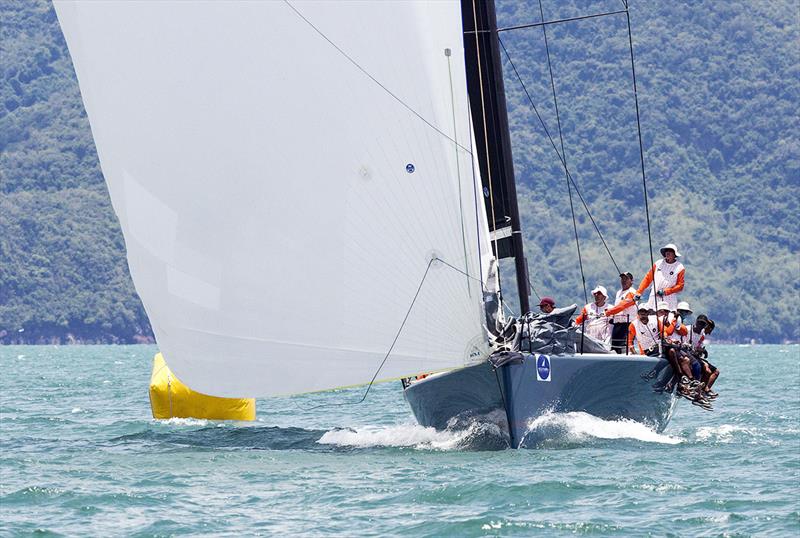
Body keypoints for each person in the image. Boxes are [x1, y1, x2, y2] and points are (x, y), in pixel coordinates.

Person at [635, 243, 685, 311]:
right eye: (666, 251)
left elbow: (680, 286)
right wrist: (639, 292)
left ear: (674, 254)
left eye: (670, 251)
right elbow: (647, 279)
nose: (667, 253)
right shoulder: (658, 263)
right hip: (654, 297)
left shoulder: (680, 267)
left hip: (669, 299)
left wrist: (666, 291)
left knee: (667, 319)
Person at [605, 272, 638, 353]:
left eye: (626, 279)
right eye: (622, 279)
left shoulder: (632, 292)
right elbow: (617, 307)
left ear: (631, 281)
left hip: (627, 324)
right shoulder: (619, 292)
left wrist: (608, 312)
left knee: (624, 348)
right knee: (614, 347)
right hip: (617, 324)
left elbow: (622, 306)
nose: (624, 280)